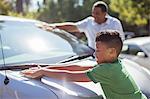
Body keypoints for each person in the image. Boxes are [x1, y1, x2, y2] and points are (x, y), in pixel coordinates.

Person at [21, 31, 147, 99]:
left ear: (112, 52)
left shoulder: (108, 70)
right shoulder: (114, 63)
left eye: (98, 50)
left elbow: (71, 76)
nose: (94, 52)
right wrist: (46, 67)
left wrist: (43, 73)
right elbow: (78, 67)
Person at [39, 1, 125, 49]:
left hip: (110, 58)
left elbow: (120, 41)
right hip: (92, 56)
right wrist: (54, 26)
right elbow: (73, 26)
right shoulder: (89, 22)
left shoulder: (115, 23)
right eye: (93, 13)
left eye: (97, 13)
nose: (94, 15)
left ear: (105, 13)